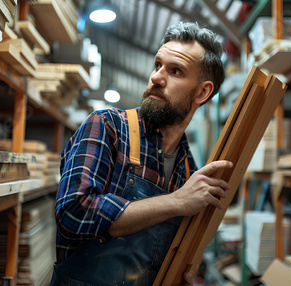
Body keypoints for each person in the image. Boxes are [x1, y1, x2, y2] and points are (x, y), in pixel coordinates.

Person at [51, 22, 232, 286]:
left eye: (175, 71)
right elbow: (73, 212)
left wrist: (183, 269)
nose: (157, 77)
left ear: (203, 92)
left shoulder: (189, 171)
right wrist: (176, 202)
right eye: (157, 65)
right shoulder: (108, 127)